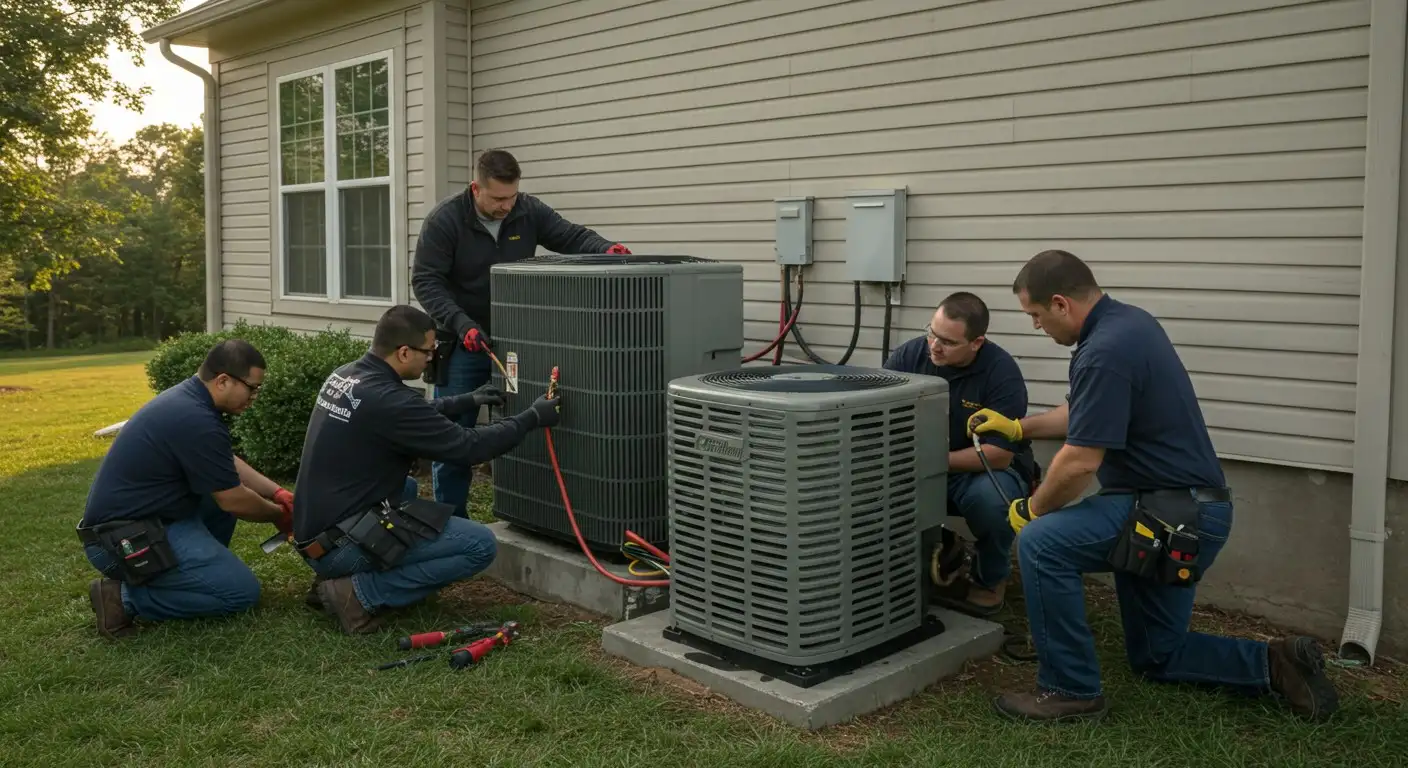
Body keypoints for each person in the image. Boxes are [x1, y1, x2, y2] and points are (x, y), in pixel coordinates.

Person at [969, 249, 1338, 723]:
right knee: (1157, 653)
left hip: (1171, 515)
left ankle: (1069, 690)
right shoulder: (1128, 325)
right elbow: (1085, 414)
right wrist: (1019, 428)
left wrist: (1034, 509)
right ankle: (1277, 664)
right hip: (1186, 509)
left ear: (1060, 304)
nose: (1037, 326)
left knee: (1042, 544)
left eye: (1036, 316)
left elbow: (1080, 462)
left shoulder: (1104, 352)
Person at [291, 304, 563, 635]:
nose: (433, 357)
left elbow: (412, 413)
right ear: (404, 352)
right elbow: (468, 447)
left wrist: (467, 400)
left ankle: (333, 573)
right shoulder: (390, 401)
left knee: (404, 489)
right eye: (429, 350)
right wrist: (531, 418)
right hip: (338, 545)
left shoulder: (349, 375)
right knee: (480, 545)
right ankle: (358, 593)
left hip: (316, 532)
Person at [411, 149, 631, 520]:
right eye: (498, 198)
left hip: (515, 339)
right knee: (455, 435)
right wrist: (461, 324)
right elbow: (426, 281)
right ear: (475, 188)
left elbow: (569, 235)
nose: (506, 206)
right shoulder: (445, 221)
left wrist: (606, 249)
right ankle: (451, 522)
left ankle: (523, 507)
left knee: (521, 419)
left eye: (512, 197)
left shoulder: (527, 210)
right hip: (463, 342)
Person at [76, 340, 294, 640]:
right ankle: (122, 598)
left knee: (216, 494)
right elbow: (234, 500)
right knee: (241, 594)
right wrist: (278, 516)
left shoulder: (190, 402)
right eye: (252, 388)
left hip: (149, 521)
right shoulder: (195, 417)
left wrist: (277, 492)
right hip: (120, 541)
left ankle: (191, 576)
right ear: (223, 381)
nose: (255, 396)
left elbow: (224, 463)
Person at [884, 291, 1035, 616]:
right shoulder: (909, 356)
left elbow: (998, 455)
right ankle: (933, 551)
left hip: (980, 471)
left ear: (976, 343)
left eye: (948, 342)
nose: (935, 346)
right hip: (915, 465)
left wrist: (927, 464)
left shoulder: (1001, 373)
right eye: (932, 333)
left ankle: (988, 581)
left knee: (992, 503)